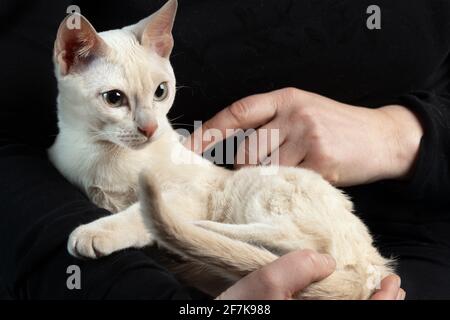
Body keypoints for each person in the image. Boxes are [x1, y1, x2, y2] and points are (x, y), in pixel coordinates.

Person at [0, 0, 448, 300]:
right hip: (195, 291)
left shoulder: (164, 151)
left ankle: (294, 254)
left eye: (160, 93)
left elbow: (189, 200)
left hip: (408, 269)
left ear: (162, 46)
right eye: (115, 98)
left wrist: (402, 132)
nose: (151, 124)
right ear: (69, 57)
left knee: (260, 192)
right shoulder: (56, 151)